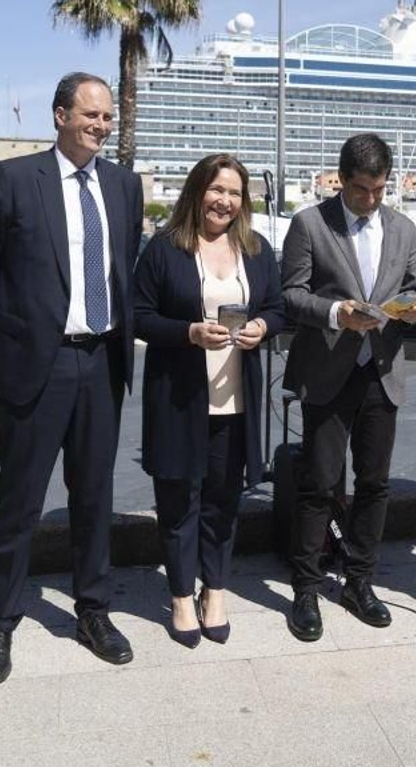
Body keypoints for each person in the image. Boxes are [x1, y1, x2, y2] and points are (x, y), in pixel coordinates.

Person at [0, 72, 143, 684]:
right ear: (60, 115)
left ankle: (93, 610)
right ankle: (0, 622)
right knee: (20, 499)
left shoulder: (123, 185)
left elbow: (124, 264)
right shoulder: (13, 179)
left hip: (101, 364)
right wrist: (13, 330)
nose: (101, 125)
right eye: (90, 115)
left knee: (95, 497)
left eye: (107, 117)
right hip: (35, 366)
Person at [282, 133, 416, 642]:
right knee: (319, 483)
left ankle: (360, 581)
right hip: (327, 369)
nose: (370, 200)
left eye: (379, 190)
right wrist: (335, 312)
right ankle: (305, 585)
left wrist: (413, 306)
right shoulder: (309, 224)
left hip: (381, 371)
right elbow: (292, 296)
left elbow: (411, 285)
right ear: (341, 180)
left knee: (375, 483)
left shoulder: (405, 228)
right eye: (361, 190)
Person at [134, 154, 282, 647]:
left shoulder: (256, 249)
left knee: (222, 501)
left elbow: (277, 308)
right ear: (197, 191)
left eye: (235, 193)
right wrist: (188, 332)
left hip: (236, 398)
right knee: (178, 502)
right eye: (217, 190)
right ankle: (180, 594)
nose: (225, 200)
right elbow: (139, 315)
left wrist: (262, 326)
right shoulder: (164, 249)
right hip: (180, 397)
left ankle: (214, 589)